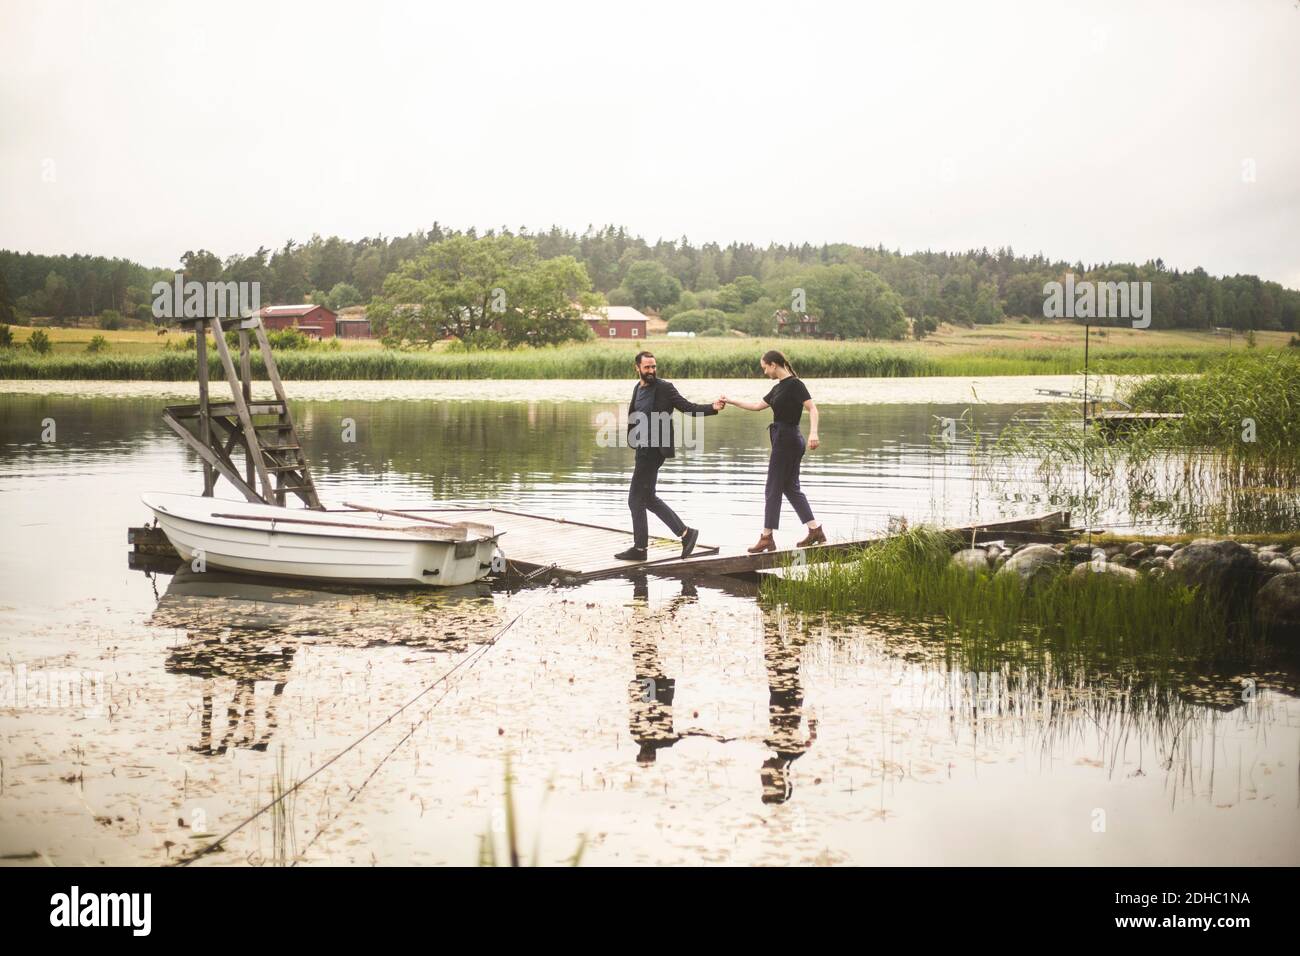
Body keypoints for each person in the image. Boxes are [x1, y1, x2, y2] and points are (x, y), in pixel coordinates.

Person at [614, 351, 724, 562]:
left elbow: (688, 408)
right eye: (647, 367)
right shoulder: (637, 388)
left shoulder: (664, 388)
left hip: (654, 451)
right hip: (642, 450)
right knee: (648, 498)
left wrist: (712, 407)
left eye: (654, 367)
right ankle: (685, 533)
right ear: (637, 367)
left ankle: (640, 549)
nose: (651, 371)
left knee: (635, 499)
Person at [721, 350, 826, 552]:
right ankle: (815, 530)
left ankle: (767, 537)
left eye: (764, 368)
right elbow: (756, 406)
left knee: (772, 488)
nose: (764, 372)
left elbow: (812, 408)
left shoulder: (795, 384)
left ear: (773, 364)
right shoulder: (778, 388)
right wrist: (731, 400)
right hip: (784, 439)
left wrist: (814, 433)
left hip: (788, 439)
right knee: (790, 488)